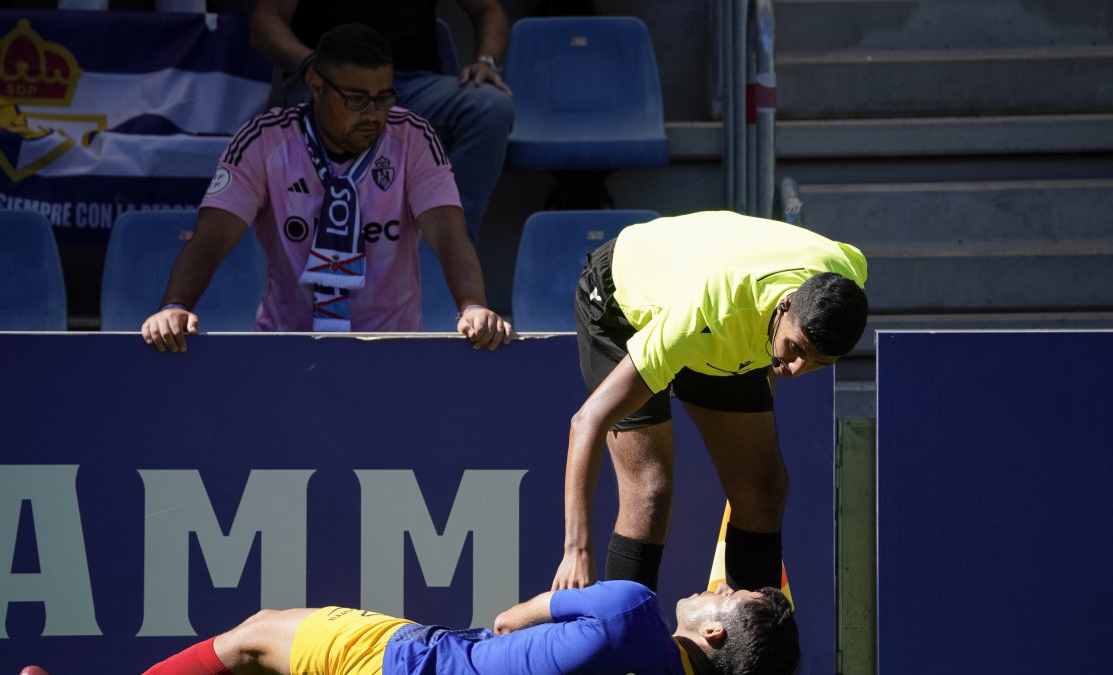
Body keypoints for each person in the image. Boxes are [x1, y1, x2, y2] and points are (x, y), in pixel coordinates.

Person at [141, 24, 511, 353]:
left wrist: (473, 305)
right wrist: (176, 305)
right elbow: (212, 236)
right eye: (356, 98)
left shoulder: (413, 137)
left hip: (393, 349)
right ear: (316, 85)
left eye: (383, 97)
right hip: (287, 347)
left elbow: (449, 234)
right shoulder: (264, 140)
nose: (372, 114)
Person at [553, 211, 868, 594]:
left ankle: (749, 646)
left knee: (762, 488)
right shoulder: (704, 315)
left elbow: (793, 345)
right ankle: (626, 647)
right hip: (622, 305)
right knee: (649, 493)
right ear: (785, 304)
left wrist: (784, 354)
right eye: (796, 349)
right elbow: (587, 421)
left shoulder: (848, 273)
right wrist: (575, 549)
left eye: (820, 363)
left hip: (724, 306)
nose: (797, 368)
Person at [250, 0, 514, 245]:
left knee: (490, 106)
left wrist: (486, 61)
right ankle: (338, 249)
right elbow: (265, 21)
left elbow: (488, 10)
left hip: (415, 84)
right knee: (339, 110)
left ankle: (448, 247)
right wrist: (310, 62)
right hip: (331, 80)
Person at [142, 580, 800, 674]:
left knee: (255, 635)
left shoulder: (629, 607)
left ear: (713, 634)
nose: (716, 585)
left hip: (415, 664)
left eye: (728, 595)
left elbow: (508, 620)